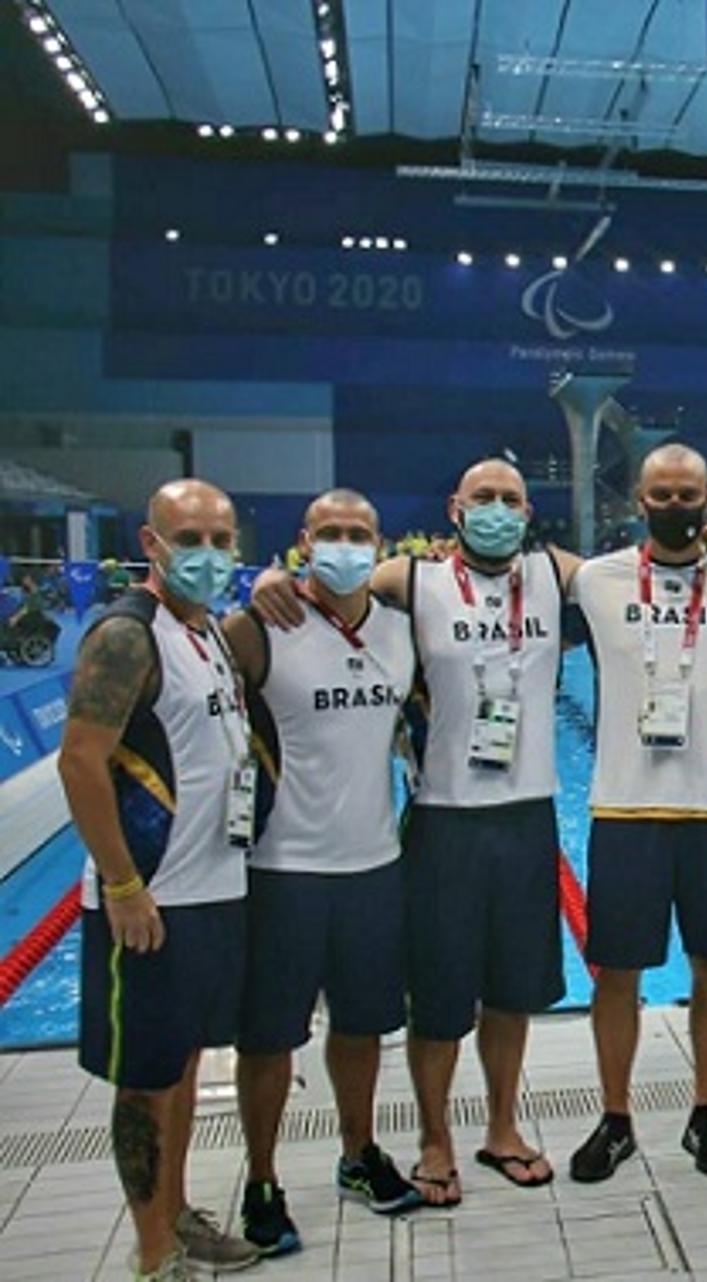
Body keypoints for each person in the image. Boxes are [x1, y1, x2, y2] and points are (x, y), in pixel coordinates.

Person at [251, 458, 582, 1205]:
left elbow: (638, 572)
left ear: (529, 511)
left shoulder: (556, 576)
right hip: (443, 822)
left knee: (511, 994)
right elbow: (329, 594)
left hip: (529, 817)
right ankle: (435, 1138)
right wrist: (271, 581)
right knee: (438, 1000)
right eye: (483, 498)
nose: (497, 509)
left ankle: (501, 1127)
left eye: (510, 499)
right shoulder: (414, 580)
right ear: (454, 508)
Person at [58, 479, 260, 1281]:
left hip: (213, 891)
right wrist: (122, 884)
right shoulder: (125, 635)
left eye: (220, 540)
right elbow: (80, 759)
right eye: (190, 539)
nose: (208, 556)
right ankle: (152, 1255)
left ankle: (176, 1215)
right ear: (151, 544)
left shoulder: (206, 631)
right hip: (149, 902)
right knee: (144, 1081)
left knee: (178, 1069)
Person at [566, 445, 707, 1180]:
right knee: (614, 975)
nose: (676, 505)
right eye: (662, 493)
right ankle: (615, 1117)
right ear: (638, 498)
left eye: (688, 493)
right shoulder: (596, 580)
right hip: (624, 813)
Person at [224, 490, 422, 1254]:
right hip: (284, 869)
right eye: (330, 533)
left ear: (381, 544)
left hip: (376, 864)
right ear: (303, 542)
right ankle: (262, 1179)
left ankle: (358, 1154)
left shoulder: (402, 630)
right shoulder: (260, 627)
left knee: (364, 1024)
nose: (345, 544)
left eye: (360, 534)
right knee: (269, 1036)